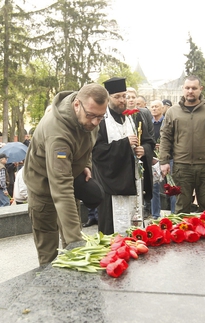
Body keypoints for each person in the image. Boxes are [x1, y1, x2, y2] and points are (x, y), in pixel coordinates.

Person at [24, 83, 107, 265]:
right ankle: (51, 289)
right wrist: (77, 243)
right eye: (91, 116)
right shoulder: (57, 134)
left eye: (100, 117)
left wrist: (85, 164)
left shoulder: (89, 116)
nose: (95, 122)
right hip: (43, 187)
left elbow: (87, 144)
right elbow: (61, 188)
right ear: (77, 105)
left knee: (71, 225)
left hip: (68, 178)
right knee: (50, 253)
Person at [92, 77, 155, 235]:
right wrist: (124, 144)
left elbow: (149, 141)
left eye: (124, 96)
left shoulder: (134, 117)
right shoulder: (101, 120)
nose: (122, 100)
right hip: (111, 184)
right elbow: (97, 151)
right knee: (113, 230)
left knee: (135, 225)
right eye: (117, 97)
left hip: (134, 181)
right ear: (108, 98)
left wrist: (143, 150)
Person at [159, 75, 205, 213]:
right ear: (182, 89)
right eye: (187, 88)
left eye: (194, 88)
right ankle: (182, 234)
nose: (190, 91)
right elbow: (165, 137)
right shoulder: (173, 112)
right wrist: (164, 160)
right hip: (182, 167)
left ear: (200, 89)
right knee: (181, 208)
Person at [149, 100, 166, 220]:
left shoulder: (166, 122)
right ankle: (155, 215)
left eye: (157, 107)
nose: (154, 109)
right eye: (152, 107)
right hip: (153, 158)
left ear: (162, 108)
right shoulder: (148, 123)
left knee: (171, 187)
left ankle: (174, 214)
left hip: (166, 157)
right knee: (154, 186)